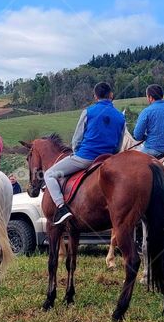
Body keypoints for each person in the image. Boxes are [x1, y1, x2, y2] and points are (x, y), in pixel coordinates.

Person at [45, 82, 126, 225]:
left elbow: (76, 139)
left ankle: (61, 208)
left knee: (49, 174)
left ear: (95, 96)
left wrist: (76, 152)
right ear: (111, 95)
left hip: (86, 158)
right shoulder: (121, 117)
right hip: (108, 159)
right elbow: (118, 145)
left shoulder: (88, 112)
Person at [133, 84, 164, 156]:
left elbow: (137, 135)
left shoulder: (146, 111)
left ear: (150, 97)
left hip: (152, 150)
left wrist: (145, 137)